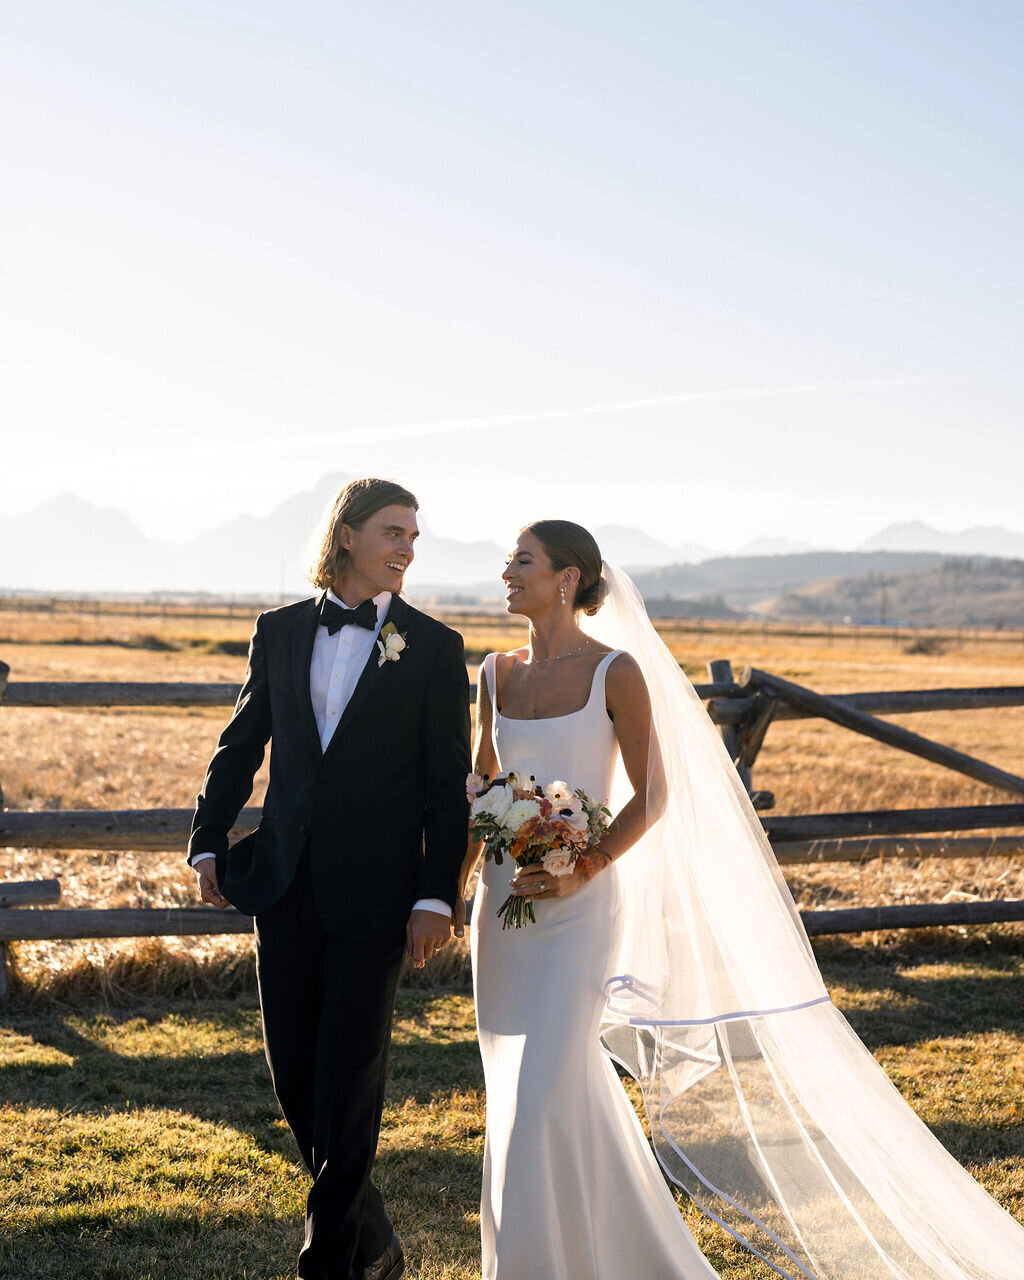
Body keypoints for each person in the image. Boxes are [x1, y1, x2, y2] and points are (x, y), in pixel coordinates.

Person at [459, 518, 1024, 1280]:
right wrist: (451, 888)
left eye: (521, 559)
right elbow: (482, 789)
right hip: (503, 916)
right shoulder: (493, 675)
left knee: (543, 1091)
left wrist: (581, 866)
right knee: (528, 1094)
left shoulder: (614, 673)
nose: (506, 570)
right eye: (507, 559)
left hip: (580, 910)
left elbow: (653, 795)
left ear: (566, 578)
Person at [188, 477, 471, 1280]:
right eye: (392, 533)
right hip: (283, 881)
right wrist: (208, 837)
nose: (406, 550)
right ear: (345, 535)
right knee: (297, 1079)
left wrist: (433, 894)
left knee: (349, 1073)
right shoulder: (277, 631)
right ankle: (376, 1238)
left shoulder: (434, 647)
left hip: (381, 894)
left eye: (414, 537)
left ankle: (331, 1260)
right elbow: (240, 745)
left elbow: (447, 782)